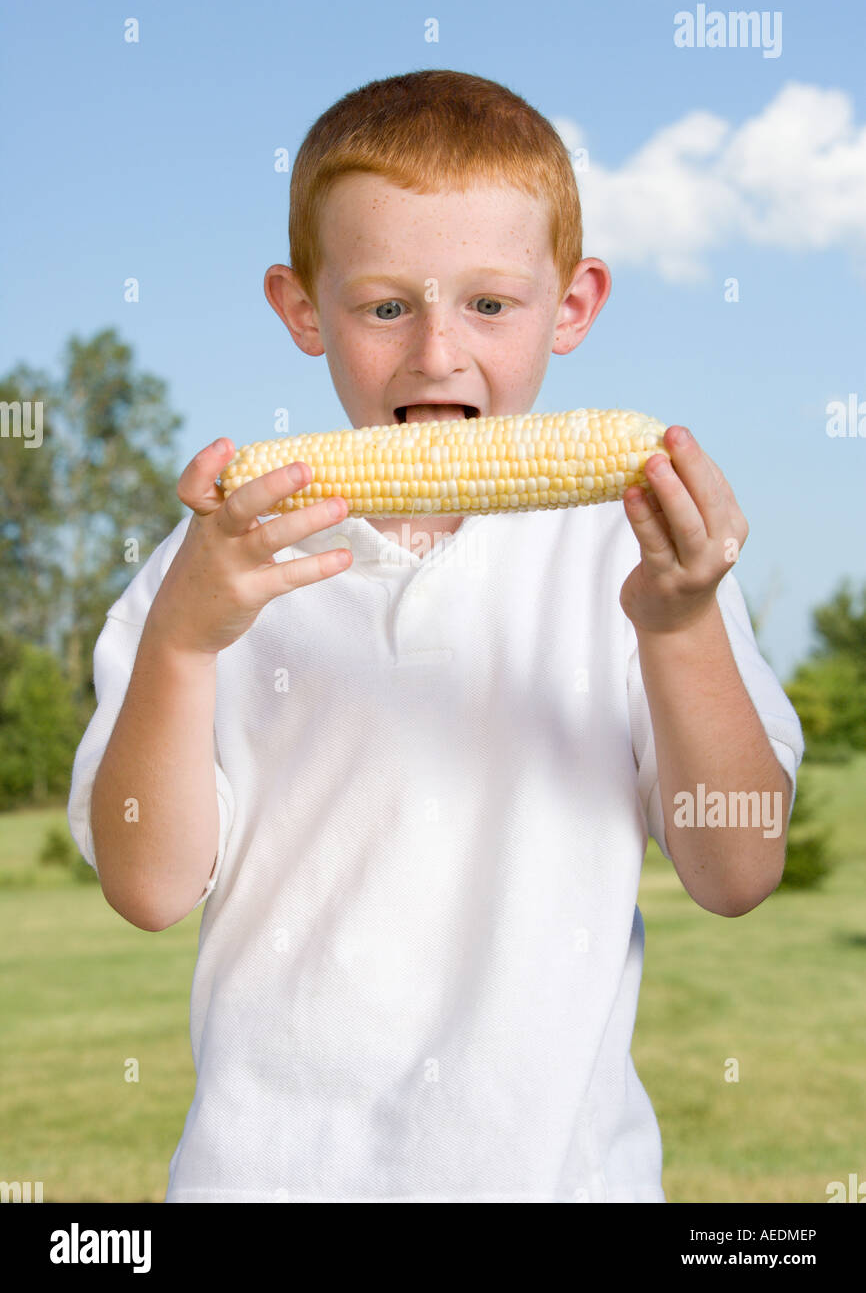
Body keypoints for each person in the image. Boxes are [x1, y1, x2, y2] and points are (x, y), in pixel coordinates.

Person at [67, 68, 804, 1203]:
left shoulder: (636, 554)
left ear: (572, 304)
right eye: (383, 306)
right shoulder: (208, 562)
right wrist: (178, 645)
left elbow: (738, 871)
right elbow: (150, 886)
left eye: (489, 304)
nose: (435, 354)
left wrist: (679, 621)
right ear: (301, 307)